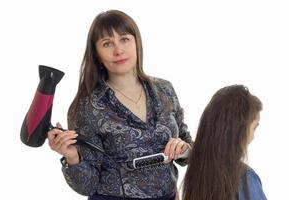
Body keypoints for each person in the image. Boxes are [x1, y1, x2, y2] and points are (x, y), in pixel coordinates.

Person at [47, 10, 193, 200]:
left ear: (136, 42)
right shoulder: (87, 107)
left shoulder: (165, 90)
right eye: (107, 44)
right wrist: (72, 157)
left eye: (124, 39)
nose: (118, 50)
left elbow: (189, 148)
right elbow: (87, 186)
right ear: (96, 54)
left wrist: (185, 149)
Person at [182, 85, 267, 200]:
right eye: (254, 128)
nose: (253, 137)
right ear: (240, 130)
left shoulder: (197, 172)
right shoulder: (246, 179)